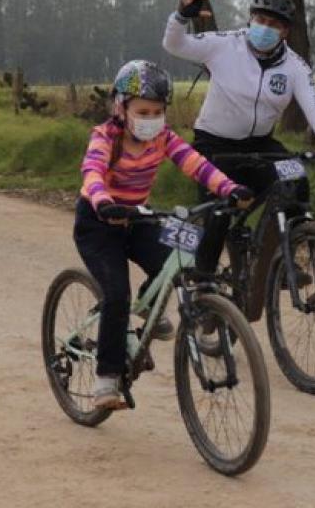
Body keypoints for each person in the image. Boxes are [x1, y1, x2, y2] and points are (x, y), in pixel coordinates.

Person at [76, 59, 252, 410]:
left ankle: (146, 308)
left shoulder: (163, 138)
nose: (150, 118)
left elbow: (196, 164)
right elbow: (92, 171)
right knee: (116, 292)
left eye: (157, 111)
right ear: (120, 107)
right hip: (99, 223)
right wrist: (104, 202)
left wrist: (229, 188)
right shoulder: (105, 137)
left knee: (179, 258)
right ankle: (107, 379)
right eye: (143, 111)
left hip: (138, 218)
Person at [162, 0, 315, 275]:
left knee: (296, 177)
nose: (265, 27)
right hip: (213, 144)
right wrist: (181, 16)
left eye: (274, 24)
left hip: (260, 144)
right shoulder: (225, 44)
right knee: (219, 215)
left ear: (285, 32)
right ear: (251, 19)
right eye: (260, 19)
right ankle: (205, 288)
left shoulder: (295, 67)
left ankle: (281, 257)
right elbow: (174, 44)